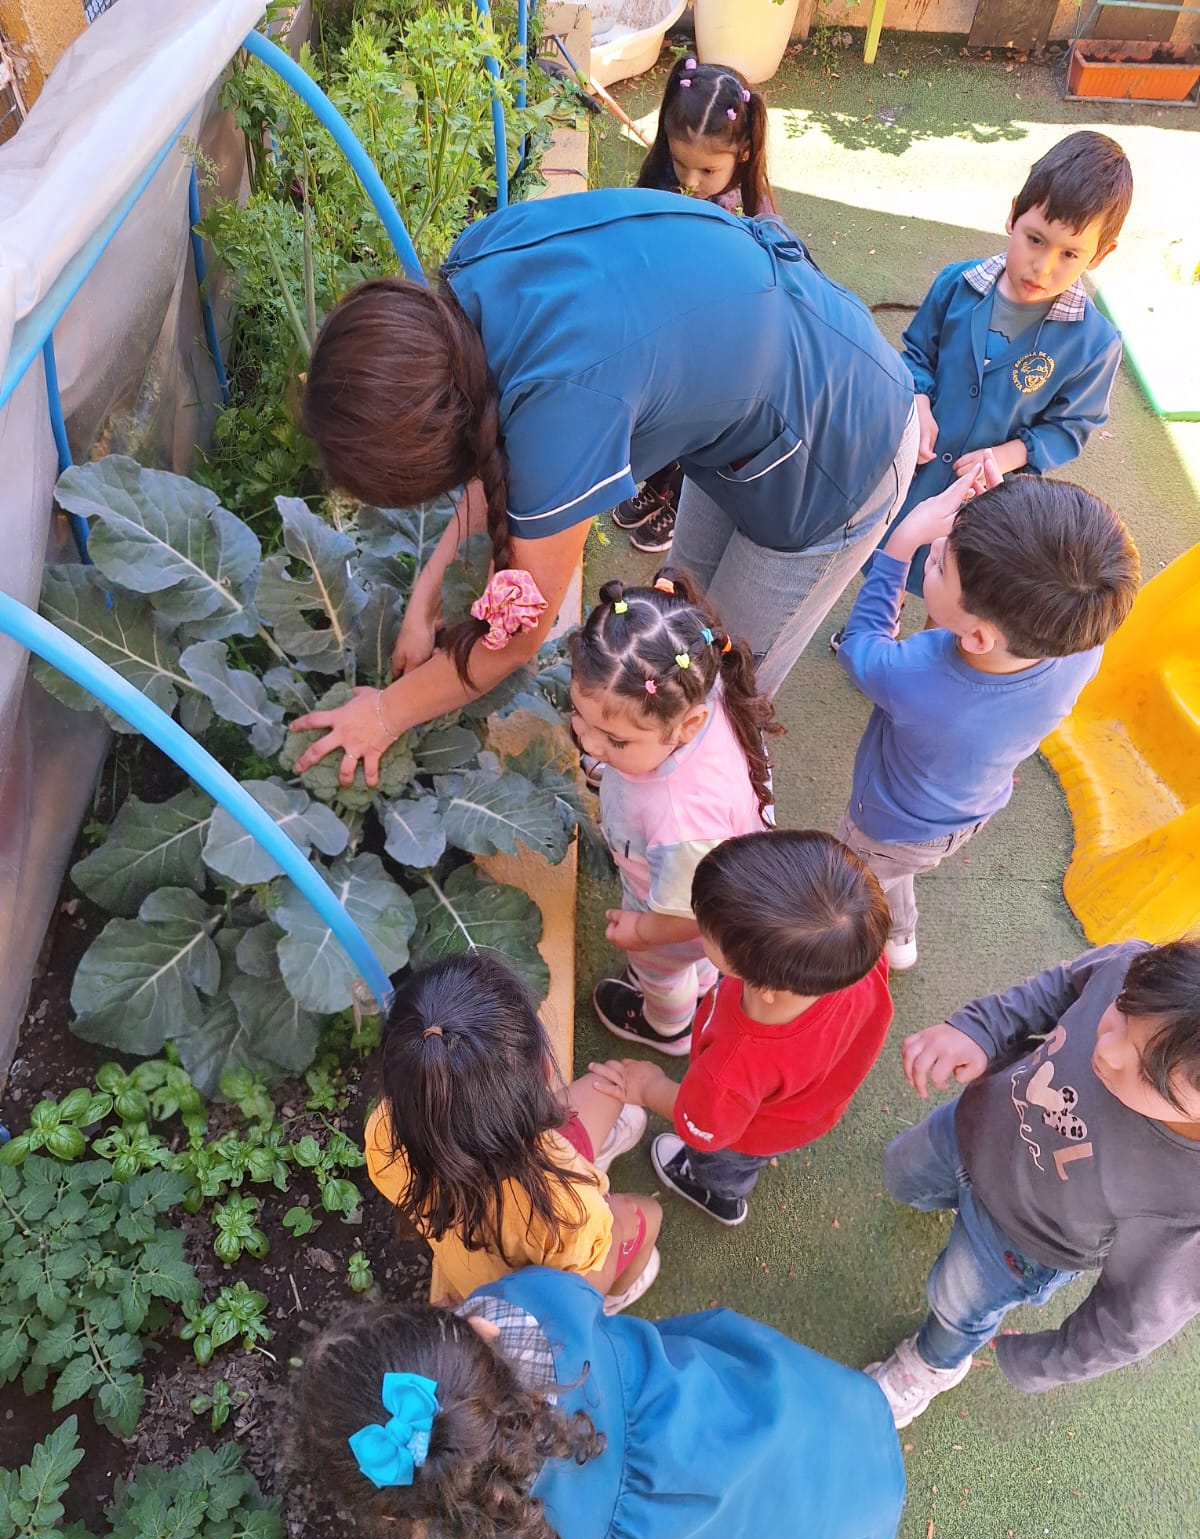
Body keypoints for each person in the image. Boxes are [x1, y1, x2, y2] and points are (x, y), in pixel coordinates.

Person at [288, 186, 918, 788]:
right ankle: (642, 757)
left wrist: (384, 715)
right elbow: (486, 439)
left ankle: (702, 821)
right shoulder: (474, 271)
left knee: (718, 692)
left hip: (839, 452)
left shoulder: (561, 411)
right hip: (753, 397)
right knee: (680, 630)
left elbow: (519, 637)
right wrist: (426, 598)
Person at [295, 1267, 906, 1539]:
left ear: (395, 1512)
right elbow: (577, 1288)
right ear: (475, 1333)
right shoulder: (531, 1303)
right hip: (831, 1411)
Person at [866, 939, 1200, 1428]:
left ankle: (933, 1364)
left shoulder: (1189, 1202)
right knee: (901, 1174)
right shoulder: (1138, 971)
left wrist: (1044, 1361)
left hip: (1020, 1243)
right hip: (970, 1127)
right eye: (1123, 1009)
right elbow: (1061, 987)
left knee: (956, 1305)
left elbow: (1133, 1317)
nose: (1106, 1049)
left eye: (1151, 1075)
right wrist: (980, 1030)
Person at [835, 460, 1139, 970]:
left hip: (887, 822)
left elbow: (860, 645)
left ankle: (858, 950)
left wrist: (901, 544)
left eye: (939, 566)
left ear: (978, 637)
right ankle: (900, 935)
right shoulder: (1079, 646)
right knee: (891, 873)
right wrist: (1004, 520)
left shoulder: (919, 675)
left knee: (851, 880)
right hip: (969, 809)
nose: (936, 548)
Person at [863, 128, 1131, 610]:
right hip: (913, 473)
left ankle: (939, 647)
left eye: (1069, 254)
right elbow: (918, 353)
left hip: (987, 497)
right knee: (892, 553)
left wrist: (1005, 456)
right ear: (1012, 215)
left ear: (1102, 254)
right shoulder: (958, 284)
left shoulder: (1095, 344)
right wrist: (918, 398)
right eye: (1035, 239)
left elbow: (1070, 427)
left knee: (962, 590)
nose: (1041, 267)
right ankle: (882, 620)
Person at [588, 829, 893, 1226]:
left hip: (751, 1131)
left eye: (708, 932)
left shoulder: (731, 1069)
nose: (699, 924)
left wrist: (647, 1086)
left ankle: (719, 1194)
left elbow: (703, 1125)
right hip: (813, 1098)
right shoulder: (852, 956)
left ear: (764, 985)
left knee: (721, 1162)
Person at [362, 953, 662, 1314]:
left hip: (480, 1273)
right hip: (543, 1286)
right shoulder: (565, 1209)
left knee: (606, 1089)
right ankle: (616, 1298)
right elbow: (573, 1287)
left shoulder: (382, 1134)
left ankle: (590, 1159)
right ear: (545, 1070)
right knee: (646, 1215)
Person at [572, 571, 779, 1057]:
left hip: (675, 919)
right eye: (580, 715)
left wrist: (642, 933)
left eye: (615, 740)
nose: (589, 742)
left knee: (661, 973)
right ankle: (701, 979)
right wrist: (617, 746)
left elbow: (689, 917)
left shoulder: (680, 819)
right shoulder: (693, 686)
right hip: (700, 877)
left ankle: (667, 1025)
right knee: (693, 961)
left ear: (688, 725)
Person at [613, 55, 778, 555]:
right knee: (662, 425)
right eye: (680, 162)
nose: (692, 178)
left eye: (708, 169)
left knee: (697, 435)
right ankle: (657, 486)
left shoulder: (750, 216)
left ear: (742, 152)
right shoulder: (665, 182)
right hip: (670, 336)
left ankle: (679, 501)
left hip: (717, 351)